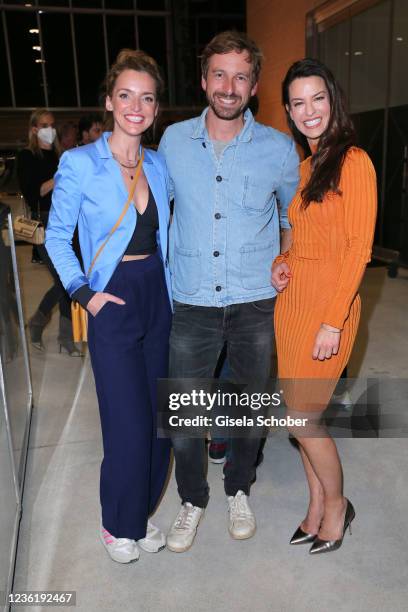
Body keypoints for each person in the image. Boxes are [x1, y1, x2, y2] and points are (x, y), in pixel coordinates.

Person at [159, 31, 299, 552]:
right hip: (192, 299)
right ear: (203, 79)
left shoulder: (278, 149)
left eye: (240, 76)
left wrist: (284, 258)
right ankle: (192, 498)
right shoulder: (173, 141)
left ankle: (239, 487)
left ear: (254, 85)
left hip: (253, 299)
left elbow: (291, 217)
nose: (228, 85)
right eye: (219, 73)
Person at [46, 49, 172, 564]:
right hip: (112, 297)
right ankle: (116, 523)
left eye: (146, 97)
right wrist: (85, 294)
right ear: (109, 102)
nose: (135, 106)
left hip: (157, 295)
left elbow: (173, 233)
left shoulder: (159, 164)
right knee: (126, 420)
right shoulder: (79, 163)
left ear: (156, 108)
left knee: (162, 417)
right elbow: (57, 237)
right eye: (126, 95)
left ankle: (140, 515)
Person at [272, 58, 377, 554]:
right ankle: (315, 506)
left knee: (302, 420)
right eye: (298, 102)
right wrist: (284, 258)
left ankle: (337, 506)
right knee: (298, 418)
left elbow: (357, 249)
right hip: (292, 306)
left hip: (327, 311)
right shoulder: (307, 166)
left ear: (332, 100)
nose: (308, 110)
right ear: (289, 112)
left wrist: (333, 321)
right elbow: (307, 236)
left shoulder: (354, 162)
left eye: (317, 98)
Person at [17, 109, 80, 355]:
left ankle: (41, 323)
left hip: (67, 222)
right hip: (44, 225)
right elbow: (35, 194)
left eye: (52, 124)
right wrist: (59, 177)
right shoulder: (26, 157)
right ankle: (62, 335)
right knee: (65, 280)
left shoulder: (58, 155)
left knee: (68, 279)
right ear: (34, 129)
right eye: (44, 125)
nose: (50, 129)